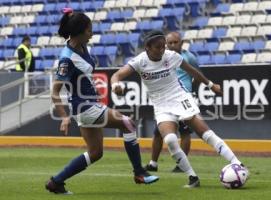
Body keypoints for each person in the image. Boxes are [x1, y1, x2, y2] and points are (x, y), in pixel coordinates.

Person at [111, 30, 246, 188]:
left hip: (180, 98)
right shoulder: (140, 61)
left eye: (164, 46)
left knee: (205, 133)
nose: (162, 50)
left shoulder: (171, 56)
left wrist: (211, 85)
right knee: (170, 140)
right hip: (161, 105)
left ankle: (237, 163)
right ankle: (192, 177)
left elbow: (193, 71)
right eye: (158, 47)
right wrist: (116, 86)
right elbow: (116, 75)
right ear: (147, 48)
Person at [45, 9, 158, 195]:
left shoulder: (81, 46)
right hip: (85, 106)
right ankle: (139, 172)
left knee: (95, 153)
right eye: (89, 30)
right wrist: (64, 117)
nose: (92, 33)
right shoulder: (67, 59)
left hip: (88, 104)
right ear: (80, 32)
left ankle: (56, 182)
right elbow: (55, 92)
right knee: (127, 123)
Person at [145, 32, 198, 173]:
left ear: (182, 42)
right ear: (166, 44)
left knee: (185, 133)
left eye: (176, 42)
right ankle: (153, 163)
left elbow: (196, 74)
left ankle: (182, 164)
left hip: (182, 99)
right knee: (158, 132)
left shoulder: (189, 57)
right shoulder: (163, 58)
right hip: (167, 102)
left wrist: (190, 92)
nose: (173, 45)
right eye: (170, 43)